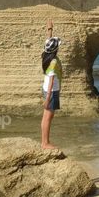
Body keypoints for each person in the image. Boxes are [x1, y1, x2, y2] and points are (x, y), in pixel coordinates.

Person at [40, 20, 62, 149]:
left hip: (48, 90)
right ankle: (45, 143)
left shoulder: (46, 54)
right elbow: (52, 81)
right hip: (51, 91)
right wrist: (48, 99)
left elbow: (48, 42)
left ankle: (44, 141)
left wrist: (50, 29)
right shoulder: (53, 62)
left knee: (46, 116)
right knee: (48, 117)